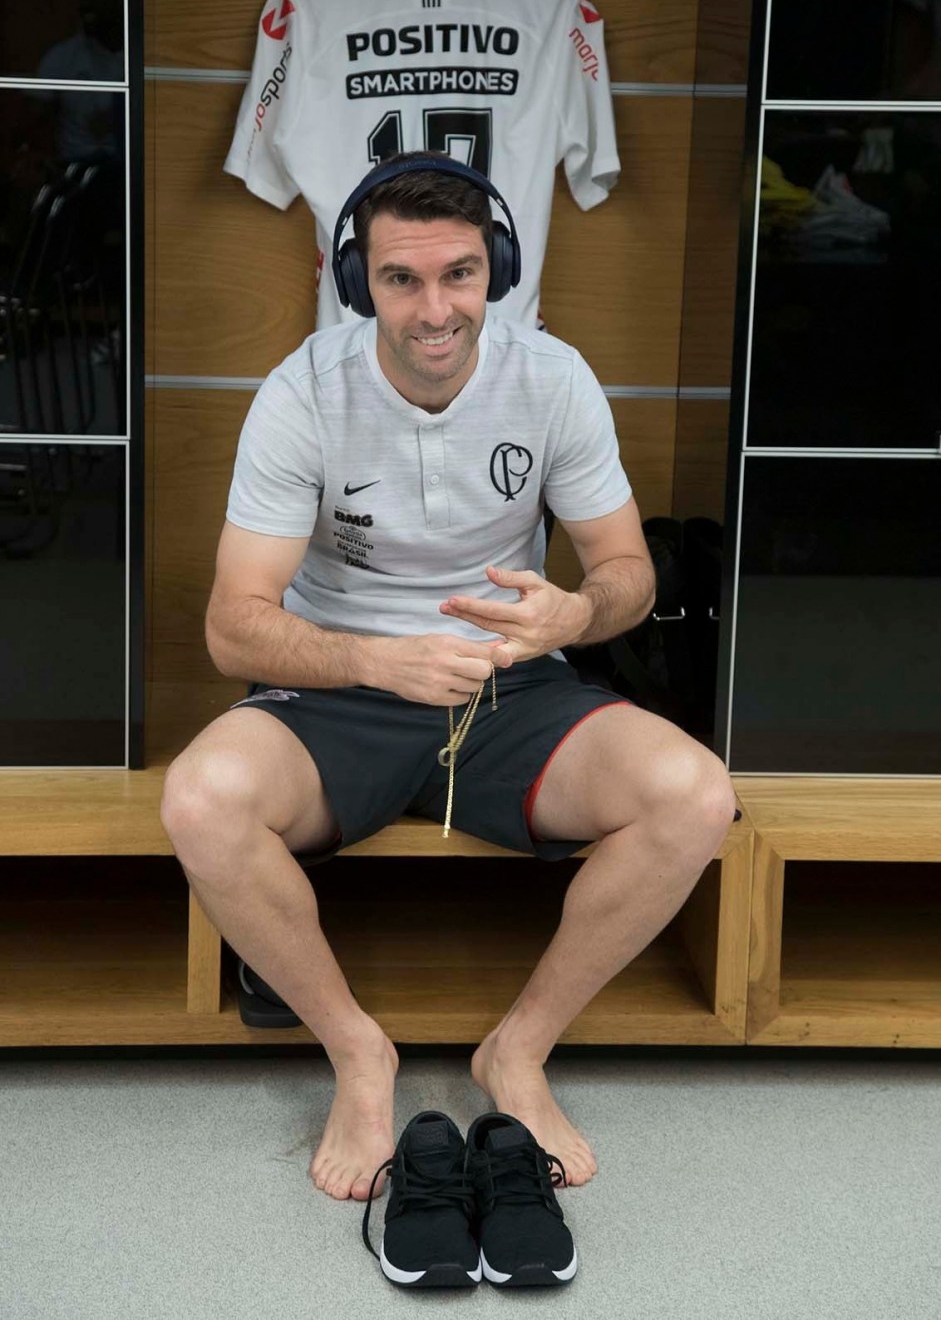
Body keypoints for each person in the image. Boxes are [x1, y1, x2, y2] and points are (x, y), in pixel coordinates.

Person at [159, 152, 737, 1204]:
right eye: (401, 279)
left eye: (459, 274)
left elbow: (626, 576)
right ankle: (356, 1053)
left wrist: (573, 612)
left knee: (694, 794)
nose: (435, 308)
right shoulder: (302, 391)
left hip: (510, 682)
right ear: (358, 283)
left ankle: (515, 1051)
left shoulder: (551, 376)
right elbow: (232, 626)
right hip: (337, 688)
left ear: (496, 268)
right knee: (200, 798)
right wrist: (379, 658)